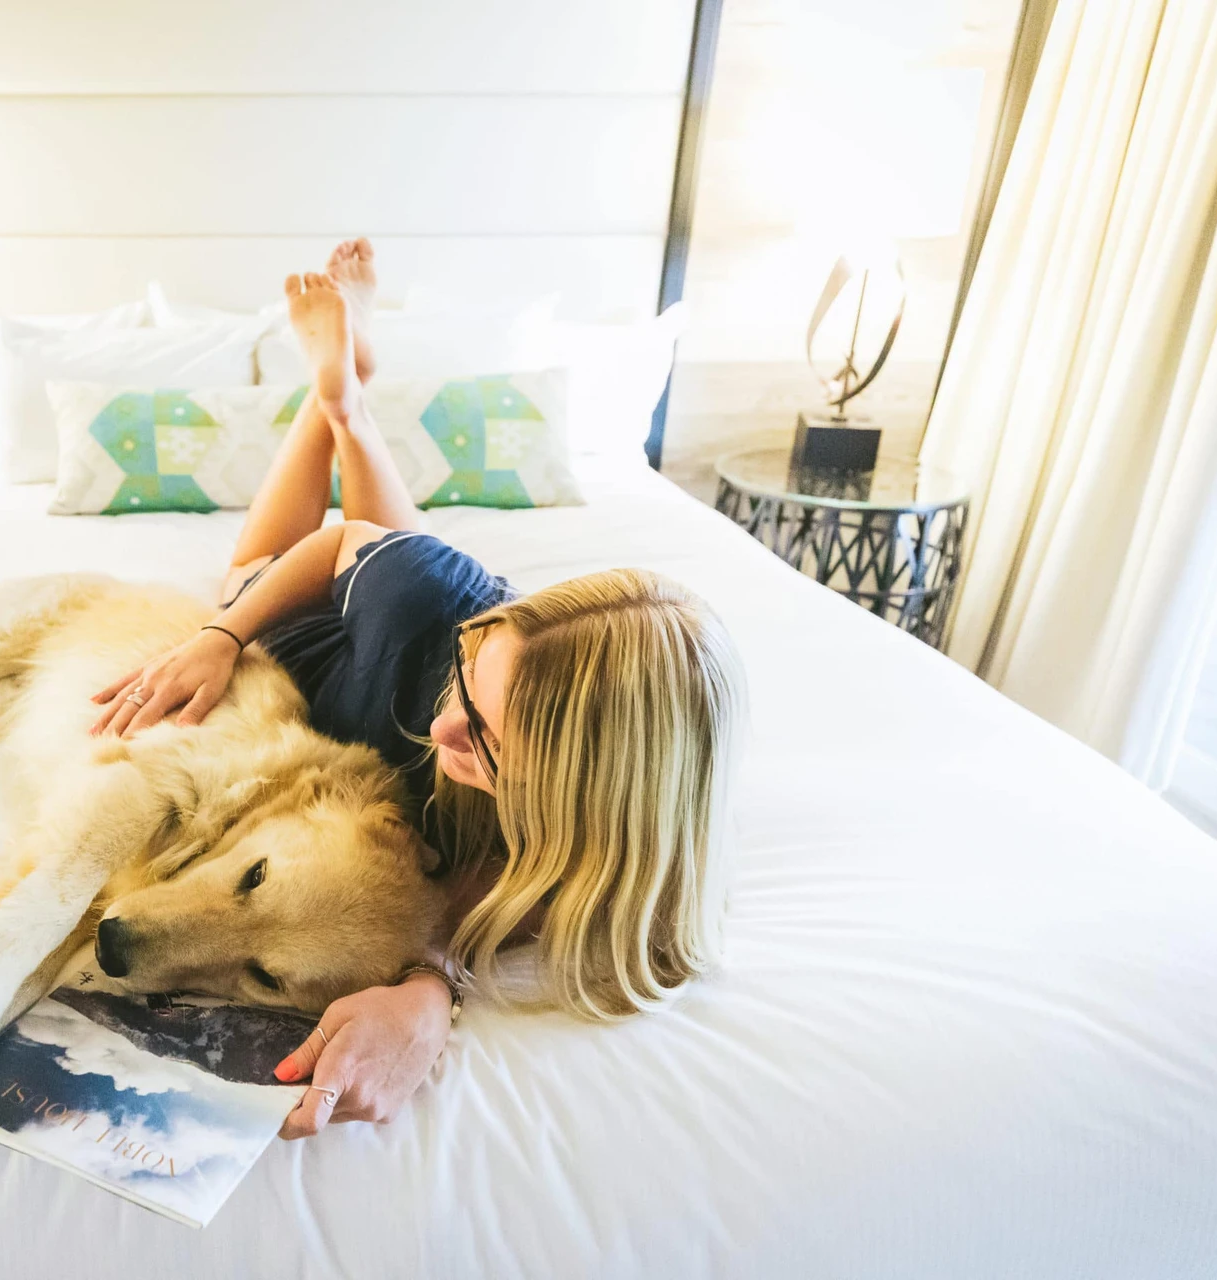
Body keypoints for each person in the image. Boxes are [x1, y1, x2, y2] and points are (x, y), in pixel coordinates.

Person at [90, 240, 746, 1140]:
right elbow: (333, 545)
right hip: (355, 652)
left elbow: (523, 891)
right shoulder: (450, 629)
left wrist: (431, 993)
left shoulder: (626, 838)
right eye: (470, 694)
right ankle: (341, 398)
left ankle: (351, 396)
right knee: (254, 569)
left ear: (584, 794)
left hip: (439, 635)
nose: (442, 733)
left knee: (411, 579)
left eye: (484, 741)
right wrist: (221, 636)